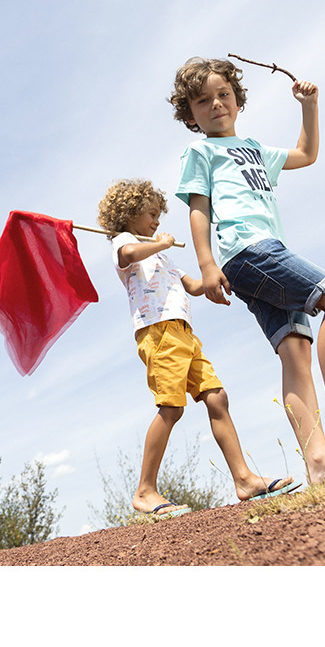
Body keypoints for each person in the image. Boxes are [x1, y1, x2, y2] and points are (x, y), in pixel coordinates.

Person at [169, 57, 325, 486]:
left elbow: (306, 153)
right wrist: (207, 264)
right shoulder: (201, 151)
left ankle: (319, 461)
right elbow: (198, 207)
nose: (215, 105)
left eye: (223, 94)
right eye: (202, 101)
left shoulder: (255, 149)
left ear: (238, 98)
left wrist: (309, 106)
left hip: (265, 250)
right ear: (190, 115)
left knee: (295, 350)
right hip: (246, 250)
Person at [97, 178, 297, 517]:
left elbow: (191, 285)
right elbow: (129, 254)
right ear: (129, 214)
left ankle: (244, 479)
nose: (157, 221)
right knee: (172, 408)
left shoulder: (164, 257)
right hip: (158, 333)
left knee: (216, 396)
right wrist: (160, 244)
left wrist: (217, 280)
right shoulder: (126, 241)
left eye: (159, 215)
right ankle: (145, 491)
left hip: (185, 333)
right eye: (151, 213)